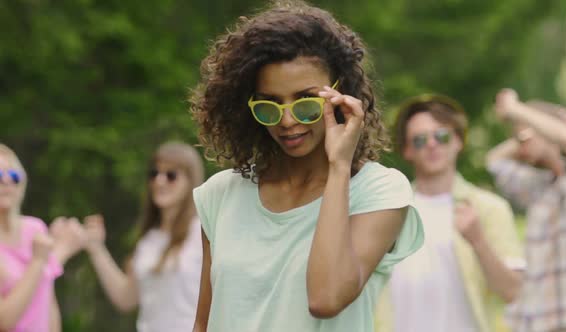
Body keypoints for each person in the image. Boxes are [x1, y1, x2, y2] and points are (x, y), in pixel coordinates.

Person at [189, 1, 424, 332]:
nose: (287, 121)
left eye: (306, 103)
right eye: (269, 106)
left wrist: (339, 167)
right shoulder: (221, 195)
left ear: (342, 95)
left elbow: (325, 298)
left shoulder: (378, 191)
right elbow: (203, 323)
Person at [374, 94, 524, 332]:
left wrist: (478, 241)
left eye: (442, 136)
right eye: (420, 140)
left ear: (458, 141)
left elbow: (513, 292)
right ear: (407, 151)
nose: (432, 144)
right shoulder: (389, 211)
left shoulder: (489, 208)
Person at [487, 89, 566, 332]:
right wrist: (530, 130)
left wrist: (515, 108)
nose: (520, 147)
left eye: (524, 137)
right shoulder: (538, 187)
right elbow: (494, 161)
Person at [76, 142, 205, 332]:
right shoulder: (149, 240)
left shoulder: (202, 233)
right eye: (154, 173)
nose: (159, 181)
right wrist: (96, 248)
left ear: (190, 181)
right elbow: (126, 298)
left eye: (171, 175)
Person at [0, 143, 83, 332]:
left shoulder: (34, 229)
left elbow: (47, 300)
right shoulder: (38, 246)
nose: (6, 181)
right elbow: (4, 321)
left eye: (13, 175)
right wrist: (39, 260)